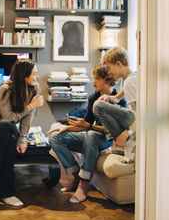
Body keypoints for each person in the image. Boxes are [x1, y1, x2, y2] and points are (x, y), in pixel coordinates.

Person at [47, 65, 127, 203]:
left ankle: (84, 184)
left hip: (107, 140)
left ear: (108, 80)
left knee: (91, 135)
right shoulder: (93, 97)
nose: (93, 81)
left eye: (97, 78)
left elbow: (115, 132)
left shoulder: (119, 100)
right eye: (93, 78)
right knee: (54, 137)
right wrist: (66, 129)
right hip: (91, 136)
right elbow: (85, 125)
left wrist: (89, 127)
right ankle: (76, 176)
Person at [0, 59, 44, 206]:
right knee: (6, 127)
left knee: (8, 131)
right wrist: (30, 106)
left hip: (9, 130)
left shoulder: (34, 88)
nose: (37, 77)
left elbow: (27, 118)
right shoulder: (5, 88)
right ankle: (7, 193)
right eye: (34, 74)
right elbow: (8, 117)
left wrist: (23, 139)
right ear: (24, 75)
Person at [93, 46, 137, 162]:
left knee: (98, 106)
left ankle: (121, 143)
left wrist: (127, 133)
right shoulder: (132, 77)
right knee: (103, 103)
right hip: (132, 118)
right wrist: (110, 98)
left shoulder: (129, 82)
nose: (109, 72)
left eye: (109, 67)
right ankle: (118, 144)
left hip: (135, 121)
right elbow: (117, 98)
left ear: (118, 64)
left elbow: (141, 114)